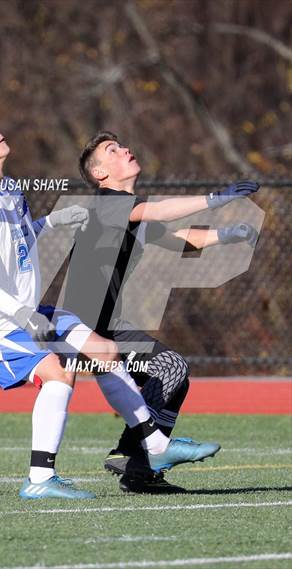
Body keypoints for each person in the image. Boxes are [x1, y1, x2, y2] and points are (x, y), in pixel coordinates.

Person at [0, 113, 221, 499]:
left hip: (24, 311)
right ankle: (40, 480)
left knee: (104, 350)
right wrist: (23, 314)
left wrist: (49, 223)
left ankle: (155, 445)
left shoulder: (8, 189)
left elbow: (16, 240)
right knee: (59, 372)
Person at [64, 131, 259, 493]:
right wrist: (216, 199)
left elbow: (178, 237)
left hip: (106, 325)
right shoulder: (107, 204)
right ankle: (129, 453)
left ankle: (139, 472)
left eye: (122, 144)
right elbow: (158, 210)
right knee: (171, 367)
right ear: (100, 175)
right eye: (113, 150)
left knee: (175, 378)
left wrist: (229, 234)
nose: (124, 149)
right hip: (85, 327)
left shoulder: (129, 214)